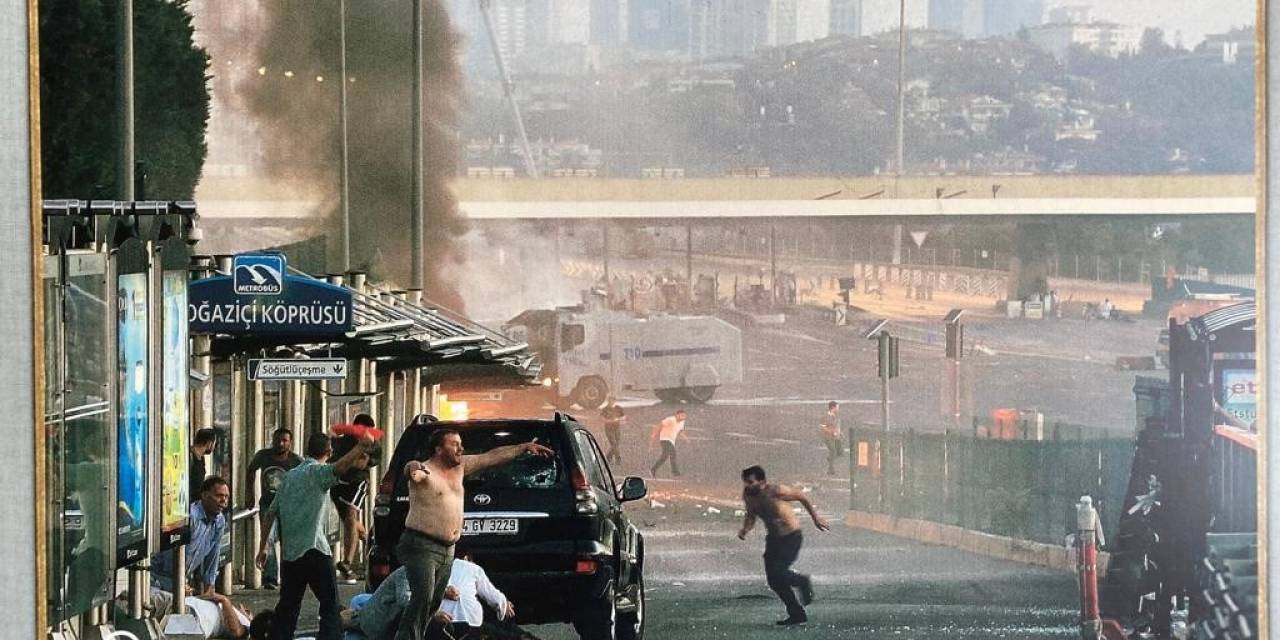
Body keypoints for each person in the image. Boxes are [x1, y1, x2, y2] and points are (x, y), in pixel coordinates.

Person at [394, 430, 553, 640]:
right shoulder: (426, 471)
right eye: (454, 444)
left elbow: (491, 457)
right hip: (421, 545)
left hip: (447, 548)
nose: (460, 448)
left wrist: (523, 447)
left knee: (433, 602)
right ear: (438, 449)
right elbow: (412, 470)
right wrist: (412, 467)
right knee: (422, 597)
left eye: (460, 443)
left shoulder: (460, 467)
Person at [256, 430, 376, 640]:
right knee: (330, 606)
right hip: (315, 550)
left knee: (287, 608)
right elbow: (340, 467)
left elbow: (270, 514)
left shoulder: (289, 477)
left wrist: (263, 546)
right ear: (329, 452)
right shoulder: (318, 473)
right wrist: (361, 446)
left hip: (291, 555)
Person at [737, 465, 830, 626]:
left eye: (751, 482)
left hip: (791, 537)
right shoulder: (748, 495)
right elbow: (751, 515)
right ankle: (797, 614)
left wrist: (815, 518)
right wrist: (745, 529)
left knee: (779, 572)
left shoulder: (775, 491)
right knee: (774, 581)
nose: (748, 485)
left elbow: (801, 496)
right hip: (773, 539)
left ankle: (801, 581)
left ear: (762, 481)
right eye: (746, 482)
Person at [153, 476, 231, 598]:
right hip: (158, 577)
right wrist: (179, 583)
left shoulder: (219, 520)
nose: (224, 501)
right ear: (205, 495)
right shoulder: (190, 517)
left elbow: (213, 554)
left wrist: (209, 586)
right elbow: (170, 556)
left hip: (180, 579)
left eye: (226, 497)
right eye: (219, 496)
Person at [246, 428, 303, 589]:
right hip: (268, 504)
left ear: (290, 443)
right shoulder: (263, 456)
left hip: (289, 506)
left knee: (288, 541)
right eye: (278, 440)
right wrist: (249, 494)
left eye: (285, 440)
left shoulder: (296, 461)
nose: (280, 444)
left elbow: (305, 480)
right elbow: (250, 470)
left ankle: (288, 576)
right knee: (268, 539)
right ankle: (270, 577)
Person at [332, 414, 376, 585]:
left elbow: (361, 464)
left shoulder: (373, 444)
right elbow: (332, 455)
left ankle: (347, 562)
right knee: (350, 523)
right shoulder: (343, 441)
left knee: (351, 516)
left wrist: (344, 461)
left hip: (357, 483)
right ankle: (368, 540)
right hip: (338, 483)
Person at [438, 549, 515, 637]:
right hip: (470, 620)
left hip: (443, 619)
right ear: (466, 558)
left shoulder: (439, 566)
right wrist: (504, 603)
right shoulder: (473, 568)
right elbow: (490, 593)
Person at [649, 408, 688, 477]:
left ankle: (653, 469)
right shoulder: (671, 419)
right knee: (673, 453)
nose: (683, 418)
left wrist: (685, 437)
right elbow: (660, 424)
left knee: (664, 456)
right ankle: (675, 472)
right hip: (664, 439)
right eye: (682, 415)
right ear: (677, 415)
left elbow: (680, 431)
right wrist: (654, 434)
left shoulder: (682, 422)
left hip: (672, 441)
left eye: (684, 416)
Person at [190, 428, 218, 505]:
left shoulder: (201, 457)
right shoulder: (190, 456)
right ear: (209, 443)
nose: (214, 447)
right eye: (214, 443)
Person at [819, 401, 843, 476]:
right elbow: (822, 427)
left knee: (840, 452)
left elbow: (837, 426)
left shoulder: (836, 416)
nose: (838, 409)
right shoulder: (825, 417)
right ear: (833, 408)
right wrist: (831, 432)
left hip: (837, 437)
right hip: (829, 438)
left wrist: (840, 433)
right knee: (833, 451)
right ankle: (831, 469)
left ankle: (830, 458)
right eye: (837, 407)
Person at [600, 397, 626, 465]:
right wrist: (610, 421)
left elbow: (624, 417)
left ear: (614, 401)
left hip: (617, 428)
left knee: (616, 444)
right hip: (609, 429)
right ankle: (618, 459)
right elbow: (602, 419)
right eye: (610, 401)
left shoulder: (618, 408)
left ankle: (608, 457)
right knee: (613, 444)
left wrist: (618, 419)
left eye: (612, 401)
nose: (611, 402)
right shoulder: (605, 409)